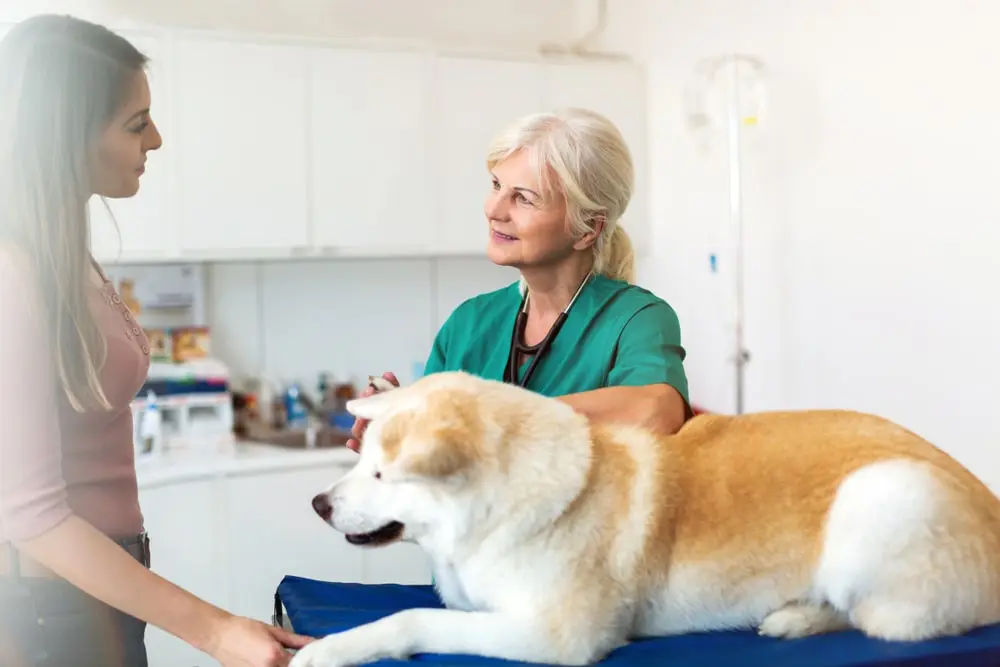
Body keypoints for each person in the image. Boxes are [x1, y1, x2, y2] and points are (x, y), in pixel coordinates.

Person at [0, 14, 312, 667]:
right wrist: (217, 630)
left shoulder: (61, 254)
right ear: (65, 136)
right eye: (136, 124)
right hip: (47, 609)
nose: (158, 140)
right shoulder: (13, 273)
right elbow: (29, 516)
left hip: (95, 591)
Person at [348, 107, 691, 452]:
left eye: (523, 198)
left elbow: (658, 410)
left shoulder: (635, 319)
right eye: (496, 185)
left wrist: (496, 414)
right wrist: (395, 439)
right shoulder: (469, 323)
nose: (494, 210)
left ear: (588, 228)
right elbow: (439, 465)